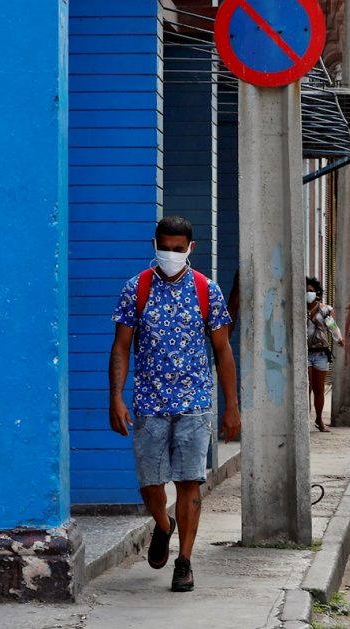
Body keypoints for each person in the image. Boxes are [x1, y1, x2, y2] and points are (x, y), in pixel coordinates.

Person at [109, 216, 239, 593]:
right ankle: (163, 527)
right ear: (154, 244)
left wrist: (231, 405)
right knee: (150, 484)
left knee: (188, 481)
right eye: (164, 247)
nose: (170, 254)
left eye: (177, 249)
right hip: (149, 404)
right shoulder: (137, 289)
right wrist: (115, 397)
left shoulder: (206, 290)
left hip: (195, 403)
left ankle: (184, 562)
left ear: (190, 249)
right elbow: (120, 347)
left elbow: (223, 351)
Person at [306, 277, 344, 432]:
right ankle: (304, 420)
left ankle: (319, 420)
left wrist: (339, 339)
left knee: (319, 390)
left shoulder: (325, 310)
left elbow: (332, 326)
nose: (309, 293)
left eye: (311, 291)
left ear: (317, 292)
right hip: (305, 354)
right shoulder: (298, 309)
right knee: (306, 388)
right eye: (306, 291)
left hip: (321, 354)